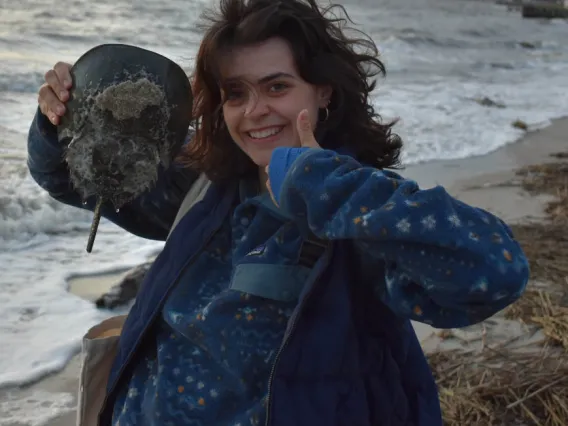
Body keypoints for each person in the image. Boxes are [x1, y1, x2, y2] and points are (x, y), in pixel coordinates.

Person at [28, 0, 530, 424]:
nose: (254, 111)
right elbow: (75, 179)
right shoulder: (208, 188)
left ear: (324, 91)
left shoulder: (358, 213)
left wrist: (319, 182)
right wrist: (62, 120)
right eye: (235, 94)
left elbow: (494, 272)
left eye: (277, 87)